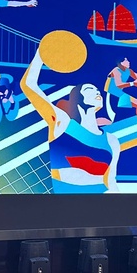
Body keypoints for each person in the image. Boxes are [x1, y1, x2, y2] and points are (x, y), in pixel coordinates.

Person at [21, 46, 120, 193]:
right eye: (89, 89)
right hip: (64, 202)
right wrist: (42, 52)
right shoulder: (63, 123)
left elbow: (111, 182)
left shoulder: (112, 141)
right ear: (77, 99)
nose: (97, 92)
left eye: (97, 90)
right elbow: (28, 85)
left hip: (100, 201)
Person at [106, 57, 137, 123]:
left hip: (120, 94)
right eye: (126, 61)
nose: (129, 62)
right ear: (121, 63)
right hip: (111, 95)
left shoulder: (128, 71)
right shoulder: (116, 70)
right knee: (111, 120)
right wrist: (133, 83)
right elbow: (119, 84)